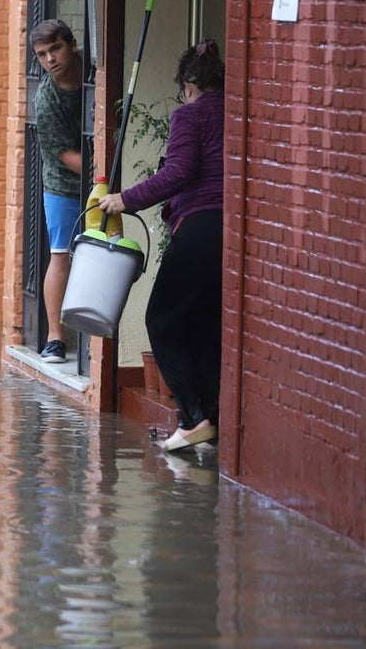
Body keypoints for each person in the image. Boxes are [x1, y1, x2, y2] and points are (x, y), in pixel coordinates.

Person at [98, 39, 225, 451]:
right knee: (203, 326)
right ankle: (209, 421)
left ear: (188, 84)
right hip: (232, 230)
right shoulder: (235, 110)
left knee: (162, 320)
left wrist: (123, 199)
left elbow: (178, 172)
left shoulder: (190, 115)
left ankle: (194, 416)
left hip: (199, 227)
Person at [30, 19, 84, 363]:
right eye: (42, 55)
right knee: (61, 254)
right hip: (63, 183)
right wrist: (104, 176)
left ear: (71, 44)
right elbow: (66, 156)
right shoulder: (46, 100)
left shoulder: (97, 72)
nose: (50, 59)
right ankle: (55, 338)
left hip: (106, 177)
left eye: (55, 49)